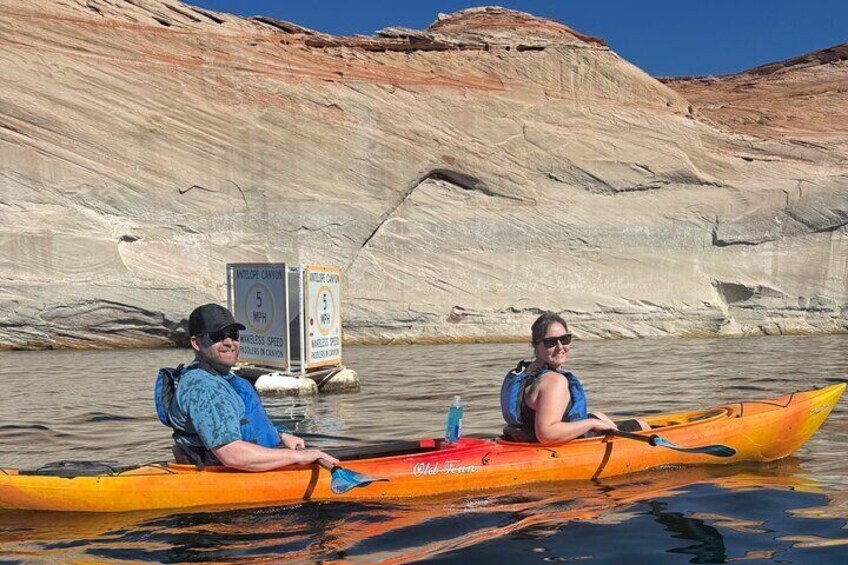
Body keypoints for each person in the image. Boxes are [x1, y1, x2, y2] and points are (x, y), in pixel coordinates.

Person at [155, 303, 338, 471]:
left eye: (233, 335)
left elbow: (247, 425)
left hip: (257, 464)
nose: (229, 343)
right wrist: (297, 456)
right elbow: (232, 455)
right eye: (217, 336)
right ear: (196, 343)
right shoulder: (203, 387)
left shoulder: (226, 379)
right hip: (224, 475)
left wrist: (280, 436)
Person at [500, 312, 649, 444]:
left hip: (526, 434)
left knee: (599, 415)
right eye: (551, 342)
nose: (560, 347)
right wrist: (590, 423)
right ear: (536, 345)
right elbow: (547, 434)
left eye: (565, 339)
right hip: (551, 443)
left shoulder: (526, 373)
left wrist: (594, 419)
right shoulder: (554, 382)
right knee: (642, 425)